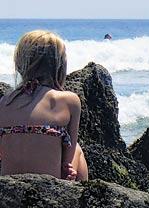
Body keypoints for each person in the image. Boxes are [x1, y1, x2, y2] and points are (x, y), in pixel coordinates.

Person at [0, 30, 88, 181]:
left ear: (20, 65)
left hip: (8, 186)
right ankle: (80, 201)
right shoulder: (69, 101)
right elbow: (68, 157)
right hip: (47, 187)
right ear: (59, 65)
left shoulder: (5, 102)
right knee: (77, 150)